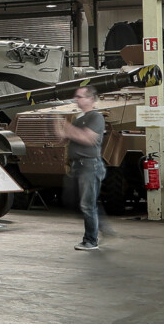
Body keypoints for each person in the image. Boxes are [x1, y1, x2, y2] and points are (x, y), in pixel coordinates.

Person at [56, 85, 106, 250]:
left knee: (87, 204)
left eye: (80, 97)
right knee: (79, 201)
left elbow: (88, 139)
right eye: (76, 97)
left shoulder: (96, 117)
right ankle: (101, 226)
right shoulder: (79, 118)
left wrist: (68, 128)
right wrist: (58, 125)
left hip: (90, 165)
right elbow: (64, 137)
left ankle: (91, 241)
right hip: (78, 165)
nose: (76, 99)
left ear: (90, 99)